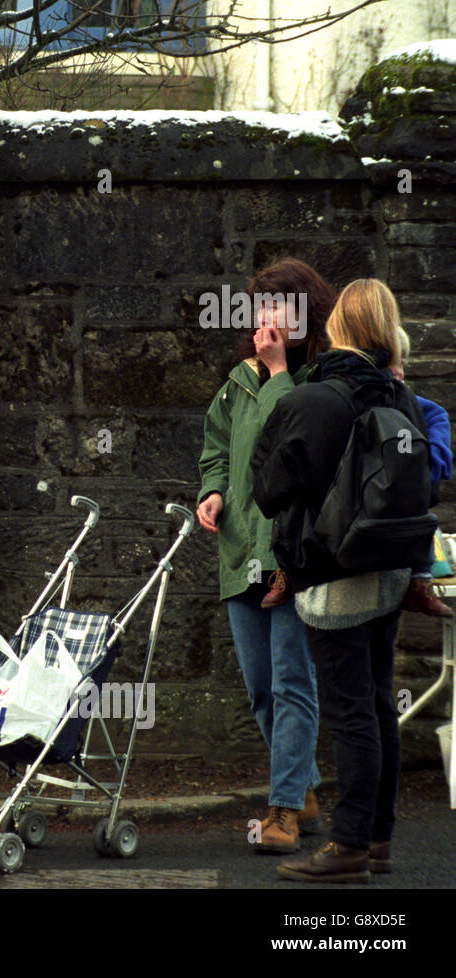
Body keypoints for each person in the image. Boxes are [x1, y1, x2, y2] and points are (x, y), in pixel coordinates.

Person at [252, 278, 430, 882]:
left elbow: (269, 489)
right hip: (391, 571)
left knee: (351, 709)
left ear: (336, 327)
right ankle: (378, 840)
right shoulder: (401, 401)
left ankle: (348, 846)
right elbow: (426, 483)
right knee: (379, 703)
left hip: (333, 579)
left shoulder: (313, 401)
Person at [196, 258, 335, 854]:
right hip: (240, 552)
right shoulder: (237, 381)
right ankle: (303, 786)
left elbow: (297, 440)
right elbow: (216, 450)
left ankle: (282, 810)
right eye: (261, 307)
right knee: (259, 686)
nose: (265, 318)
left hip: (293, 553)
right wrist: (213, 492)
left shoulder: (320, 380)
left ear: (305, 314)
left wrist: (279, 369)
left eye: (278, 306)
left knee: (291, 682)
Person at [391, 326, 453, 618]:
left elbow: (437, 422)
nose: (400, 371)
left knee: (422, 517)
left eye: (403, 362)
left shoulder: (415, 405)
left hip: (408, 505)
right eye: (393, 362)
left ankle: (420, 583)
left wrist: (422, 468)